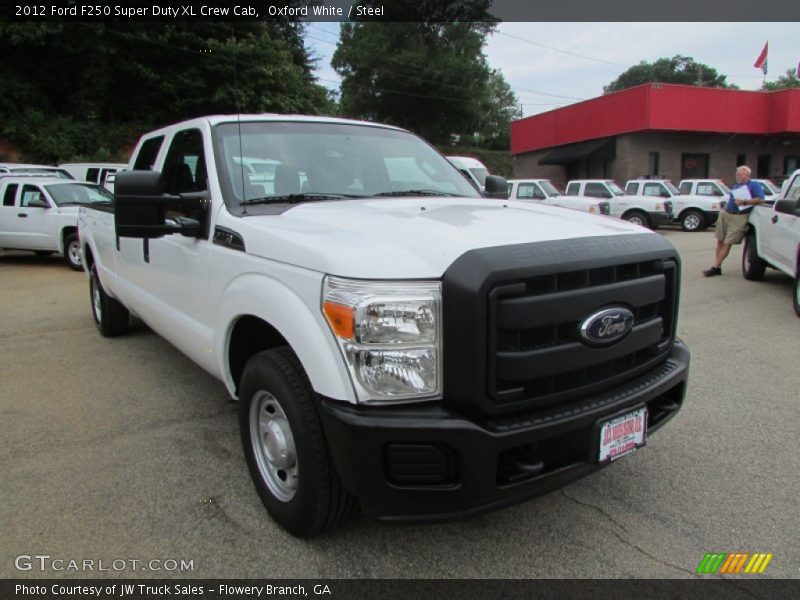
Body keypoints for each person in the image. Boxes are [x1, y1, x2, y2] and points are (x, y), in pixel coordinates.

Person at [703, 165, 765, 277]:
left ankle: (714, 267)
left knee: (727, 243)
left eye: (740, 175)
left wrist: (744, 202)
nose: (737, 176)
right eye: (736, 175)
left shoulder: (754, 185)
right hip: (726, 214)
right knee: (720, 241)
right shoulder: (737, 186)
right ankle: (718, 266)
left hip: (739, 217)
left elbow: (761, 199)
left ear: (747, 175)